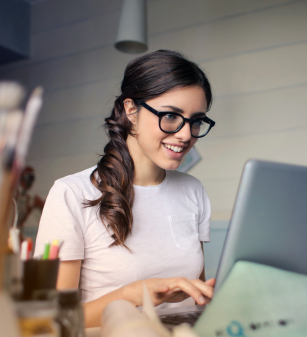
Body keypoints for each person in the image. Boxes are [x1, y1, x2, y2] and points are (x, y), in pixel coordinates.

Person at [34, 50, 216, 327]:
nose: (186, 134)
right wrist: (134, 294)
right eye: (170, 116)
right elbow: (53, 320)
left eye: (196, 121)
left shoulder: (193, 190)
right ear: (131, 110)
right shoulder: (71, 194)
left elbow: (197, 295)